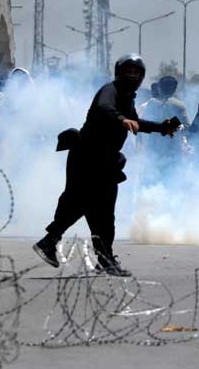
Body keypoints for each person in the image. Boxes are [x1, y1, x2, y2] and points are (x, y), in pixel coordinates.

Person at [34, 54, 179, 276]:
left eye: (137, 73)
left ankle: (101, 256)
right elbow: (103, 108)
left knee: (100, 211)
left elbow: (136, 122)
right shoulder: (110, 91)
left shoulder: (127, 97)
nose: (132, 76)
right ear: (119, 72)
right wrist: (121, 120)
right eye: (128, 71)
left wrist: (162, 128)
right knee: (82, 203)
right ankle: (55, 242)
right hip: (87, 156)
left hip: (104, 160)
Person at [137, 75, 191, 186]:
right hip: (171, 150)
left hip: (156, 150)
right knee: (171, 183)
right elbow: (186, 127)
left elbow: (145, 124)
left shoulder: (152, 103)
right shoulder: (179, 105)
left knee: (152, 182)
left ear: (160, 87)